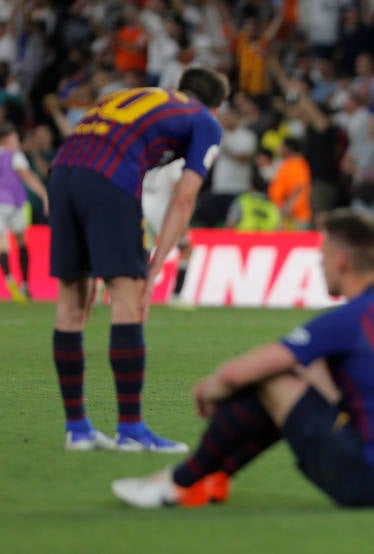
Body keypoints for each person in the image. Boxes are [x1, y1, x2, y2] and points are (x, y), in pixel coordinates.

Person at [111, 208, 374, 509]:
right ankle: (211, 478)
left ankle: (179, 482)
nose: (319, 263)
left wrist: (208, 388)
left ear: (341, 261)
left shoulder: (351, 318)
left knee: (271, 378)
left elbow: (236, 374)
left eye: (322, 254)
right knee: (297, 373)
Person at [48, 67, 228, 452]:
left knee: (71, 306)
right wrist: (155, 266)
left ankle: (77, 429)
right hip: (108, 178)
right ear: (217, 105)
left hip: (62, 172)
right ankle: (131, 431)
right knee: (129, 302)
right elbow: (184, 197)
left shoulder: (140, 96)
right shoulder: (205, 121)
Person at [0, 123, 48, 303]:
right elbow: (27, 176)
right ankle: (25, 284)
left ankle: (8, 278)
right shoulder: (15, 156)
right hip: (15, 203)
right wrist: (44, 194)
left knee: (2, 244)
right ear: (7, 139)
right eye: (14, 138)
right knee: (21, 241)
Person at [141, 159, 195, 308]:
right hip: (162, 209)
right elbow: (177, 187)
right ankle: (176, 295)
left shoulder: (153, 152)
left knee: (144, 251)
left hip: (143, 204)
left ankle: (136, 292)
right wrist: (182, 218)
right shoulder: (176, 160)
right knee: (186, 248)